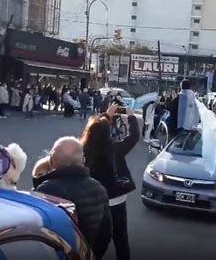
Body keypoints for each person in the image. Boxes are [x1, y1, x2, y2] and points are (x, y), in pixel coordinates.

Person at [32, 137, 111, 260]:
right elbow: (105, 233)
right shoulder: (98, 188)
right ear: (83, 160)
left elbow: (38, 234)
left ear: (51, 161)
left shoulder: (46, 190)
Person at [80, 105, 139, 260]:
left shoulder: (84, 149)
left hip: (95, 199)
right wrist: (131, 117)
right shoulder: (115, 148)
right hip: (117, 199)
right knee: (121, 239)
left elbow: (96, 128)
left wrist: (106, 115)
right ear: (108, 133)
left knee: (96, 240)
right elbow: (134, 137)